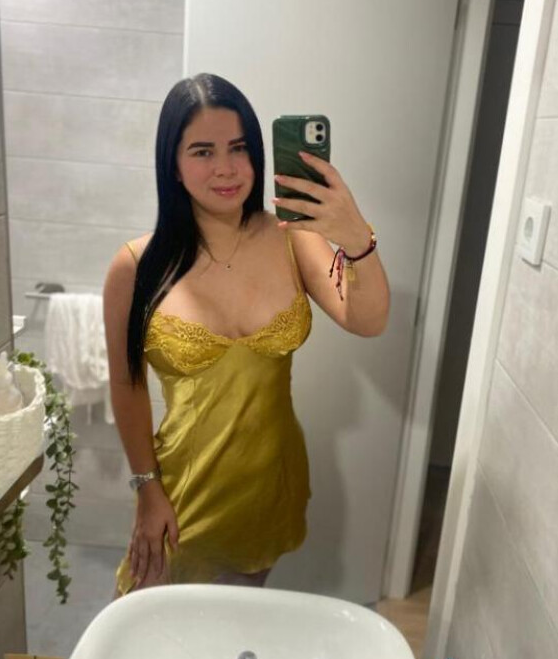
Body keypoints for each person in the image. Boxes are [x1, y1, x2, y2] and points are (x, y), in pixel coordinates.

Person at [104, 73, 390, 595]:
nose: (226, 168)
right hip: (182, 494)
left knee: (238, 622)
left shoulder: (294, 240)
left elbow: (367, 320)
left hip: (269, 486)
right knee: (157, 626)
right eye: (203, 151)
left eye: (238, 148)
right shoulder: (137, 266)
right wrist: (147, 490)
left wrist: (355, 238)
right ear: (173, 163)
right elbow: (127, 384)